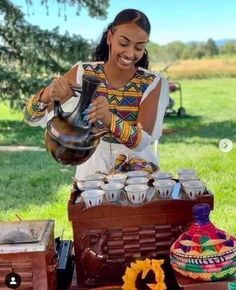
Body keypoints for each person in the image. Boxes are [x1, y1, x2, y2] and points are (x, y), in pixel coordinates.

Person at [24, 8, 169, 180]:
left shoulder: (152, 82)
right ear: (110, 37)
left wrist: (109, 119)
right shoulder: (82, 72)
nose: (130, 53)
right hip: (92, 169)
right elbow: (30, 118)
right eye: (123, 43)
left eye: (139, 47)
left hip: (137, 171)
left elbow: (142, 142)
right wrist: (48, 93)